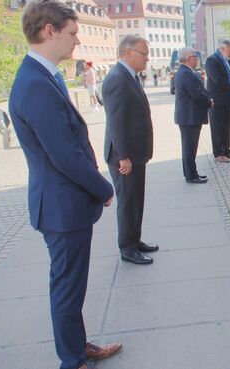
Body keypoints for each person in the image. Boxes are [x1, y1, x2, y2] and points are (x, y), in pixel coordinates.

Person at [8, 1, 122, 368]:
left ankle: (77, 346)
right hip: (62, 206)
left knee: (70, 286)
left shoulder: (42, 76)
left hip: (63, 203)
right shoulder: (35, 83)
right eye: (72, 33)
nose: (77, 41)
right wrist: (104, 187)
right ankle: (72, 360)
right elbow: (64, 155)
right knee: (67, 288)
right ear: (48, 30)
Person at [102, 35, 158, 265]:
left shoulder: (129, 76)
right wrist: (123, 156)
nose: (147, 59)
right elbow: (116, 121)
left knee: (136, 200)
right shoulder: (117, 78)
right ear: (128, 53)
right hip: (124, 157)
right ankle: (127, 248)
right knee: (128, 202)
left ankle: (135, 240)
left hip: (135, 154)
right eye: (144, 54)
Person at [174, 47, 213, 184]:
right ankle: (191, 176)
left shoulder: (186, 72)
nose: (196, 59)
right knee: (189, 148)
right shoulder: (186, 74)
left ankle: (192, 173)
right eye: (195, 57)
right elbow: (196, 94)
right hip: (189, 117)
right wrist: (209, 102)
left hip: (188, 117)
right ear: (188, 58)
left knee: (190, 148)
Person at [205, 40, 230, 163]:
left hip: (228, 99)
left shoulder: (229, 61)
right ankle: (218, 153)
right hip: (216, 100)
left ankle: (227, 151)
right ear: (222, 49)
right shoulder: (212, 61)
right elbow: (218, 79)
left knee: (227, 126)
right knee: (217, 127)